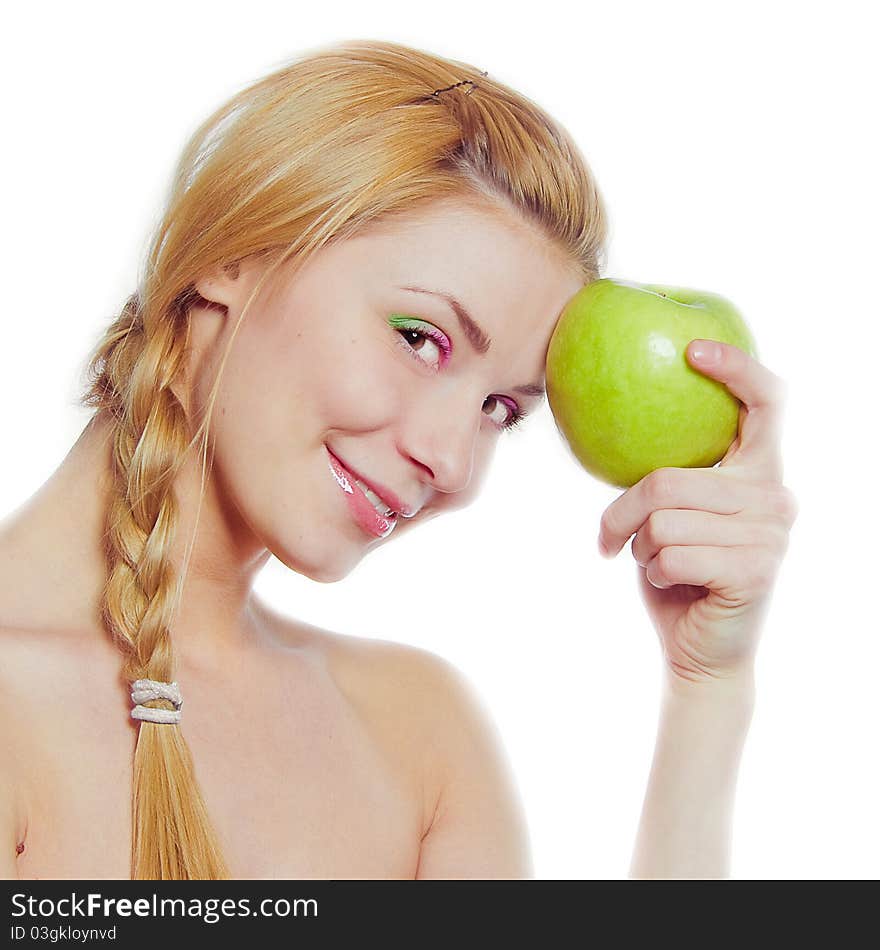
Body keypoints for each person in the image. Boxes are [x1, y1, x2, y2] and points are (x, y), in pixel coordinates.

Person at [0, 39, 796, 880]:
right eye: (420, 339)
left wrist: (708, 689)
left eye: (501, 411)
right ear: (232, 254)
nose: (453, 463)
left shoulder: (418, 739)